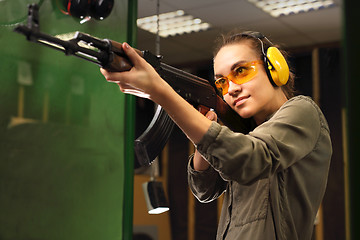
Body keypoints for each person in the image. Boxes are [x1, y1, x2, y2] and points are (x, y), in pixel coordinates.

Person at [100, 30, 332, 240]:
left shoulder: (302, 111)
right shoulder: (245, 133)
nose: (231, 89)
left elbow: (248, 159)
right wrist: (202, 124)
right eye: (222, 82)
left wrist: (161, 93)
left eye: (241, 71)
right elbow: (205, 189)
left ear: (274, 68)